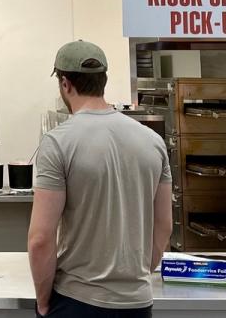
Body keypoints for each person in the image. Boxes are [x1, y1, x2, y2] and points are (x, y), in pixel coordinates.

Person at [28, 41, 173, 318]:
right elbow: (164, 227)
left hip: (77, 301)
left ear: (65, 84)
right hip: (138, 305)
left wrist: (44, 302)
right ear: (103, 81)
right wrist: (138, 276)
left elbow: (40, 239)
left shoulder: (58, 142)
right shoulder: (153, 142)